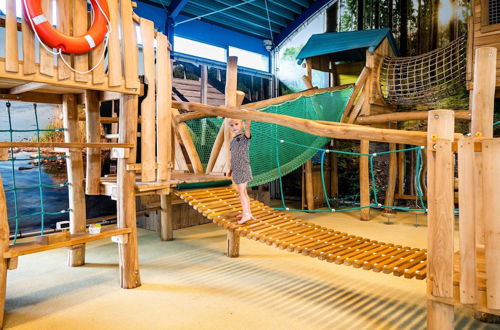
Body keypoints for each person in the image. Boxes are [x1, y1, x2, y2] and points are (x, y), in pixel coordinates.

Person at [228, 118, 254, 224]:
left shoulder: (245, 137)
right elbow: (233, 156)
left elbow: (247, 128)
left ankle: (246, 214)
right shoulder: (233, 140)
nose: (234, 127)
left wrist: (247, 117)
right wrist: (230, 169)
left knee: (241, 192)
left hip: (243, 167)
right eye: (231, 125)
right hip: (237, 168)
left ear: (242, 124)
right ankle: (247, 212)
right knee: (243, 192)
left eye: (236, 124)